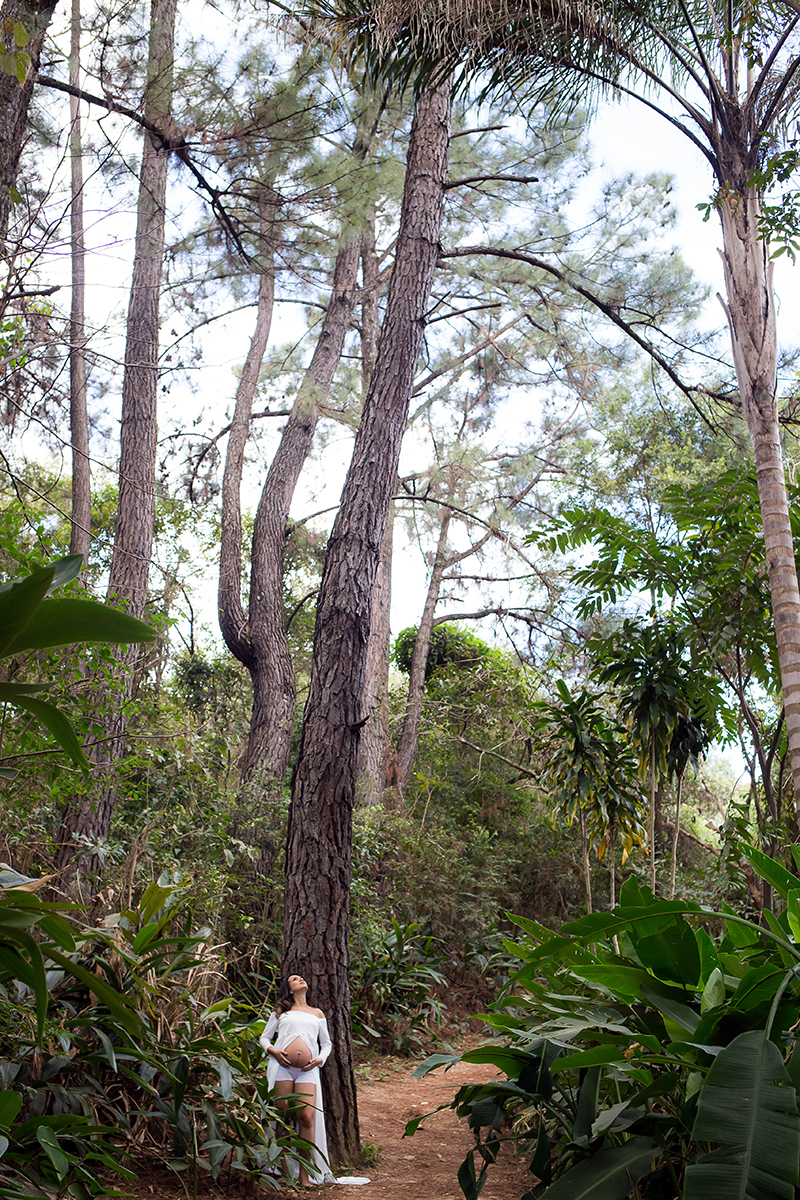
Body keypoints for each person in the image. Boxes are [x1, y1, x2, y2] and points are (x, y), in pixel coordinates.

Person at [259, 973, 333, 1186]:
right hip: (282, 1069)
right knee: (282, 1118)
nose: (300, 979)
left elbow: (326, 1044)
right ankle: (284, 1172)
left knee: (306, 1118)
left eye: (301, 978)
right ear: (289, 989)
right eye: (294, 979)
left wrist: (319, 1059)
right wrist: (273, 1051)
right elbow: (264, 1037)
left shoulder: (317, 1013)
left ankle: (304, 1174)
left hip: (307, 1071)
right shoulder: (281, 1011)